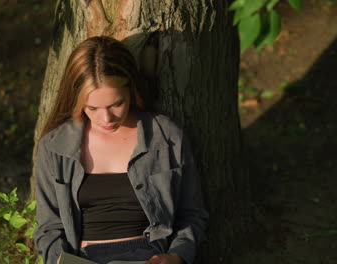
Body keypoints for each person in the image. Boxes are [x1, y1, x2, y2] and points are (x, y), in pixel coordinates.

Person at [33, 36, 208, 264]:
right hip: (83, 258)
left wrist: (177, 255)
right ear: (76, 101)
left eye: (117, 104)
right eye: (92, 108)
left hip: (148, 256)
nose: (106, 118)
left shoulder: (165, 137)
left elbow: (191, 213)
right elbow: (49, 228)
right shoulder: (55, 147)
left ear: (132, 90)